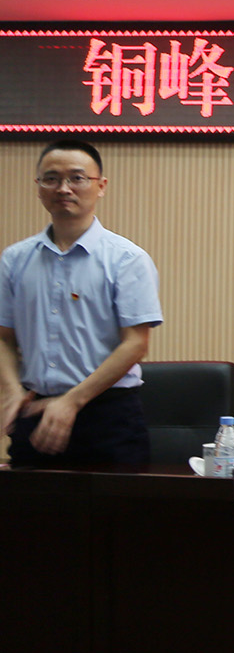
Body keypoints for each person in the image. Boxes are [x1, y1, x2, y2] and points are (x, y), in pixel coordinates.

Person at [0, 139, 162, 468]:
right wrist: (11, 391)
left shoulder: (127, 259)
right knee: (29, 502)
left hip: (109, 417)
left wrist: (71, 401)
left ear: (101, 186)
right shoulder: (14, 260)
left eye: (77, 178)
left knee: (115, 503)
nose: (64, 188)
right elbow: (4, 338)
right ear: (38, 187)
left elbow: (135, 343)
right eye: (51, 179)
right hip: (35, 411)